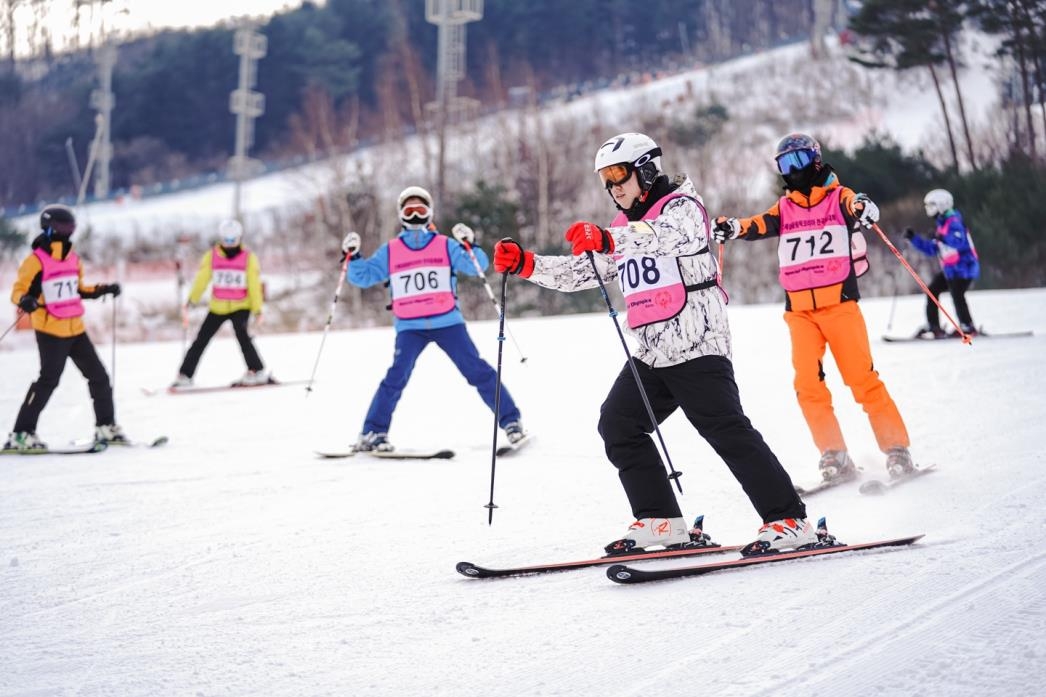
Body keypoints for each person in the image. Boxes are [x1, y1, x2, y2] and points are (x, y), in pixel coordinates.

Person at [493, 132, 812, 557]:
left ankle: (788, 520)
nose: (613, 187)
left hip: (697, 342)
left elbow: (665, 236)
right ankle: (661, 521)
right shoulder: (624, 227)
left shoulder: (684, 208)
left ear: (645, 169)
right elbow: (582, 273)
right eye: (606, 180)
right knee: (619, 425)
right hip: (651, 352)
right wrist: (528, 264)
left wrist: (607, 238)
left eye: (619, 175)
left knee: (725, 428)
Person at [712, 132, 914, 484]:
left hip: (840, 305)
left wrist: (865, 208)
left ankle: (897, 449)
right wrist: (733, 228)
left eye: (798, 161)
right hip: (800, 314)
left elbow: (858, 205)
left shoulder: (839, 198)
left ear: (815, 161)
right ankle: (834, 454)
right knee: (808, 386)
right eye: (784, 164)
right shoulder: (785, 208)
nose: (792, 170)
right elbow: (757, 224)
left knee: (862, 380)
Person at [342, 185, 525, 452]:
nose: (415, 215)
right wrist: (354, 256)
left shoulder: (444, 245)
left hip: (447, 322)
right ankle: (373, 432)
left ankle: (512, 422)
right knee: (396, 378)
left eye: (421, 209)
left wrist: (469, 243)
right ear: (401, 214)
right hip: (410, 327)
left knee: (477, 371)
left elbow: (477, 266)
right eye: (409, 210)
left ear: (429, 213)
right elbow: (363, 276)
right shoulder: (392, 250)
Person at [3, 204, 127, 451]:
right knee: (48, 381)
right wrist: (25, 300)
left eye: (70, 227)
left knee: (99, 377)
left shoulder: (72, 259)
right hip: (51, 330)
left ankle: (106, 426)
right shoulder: (35, 261)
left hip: (75, 329)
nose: (67, 232)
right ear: (49, 228)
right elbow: (18, 291)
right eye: (62, 227)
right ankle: (21, 433)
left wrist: (104, 289)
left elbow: (79, 288)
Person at [173, 219, 269, 387]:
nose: (230, 244)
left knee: (243, 337)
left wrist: (258, 310)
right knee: (201, 339)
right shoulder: (212, 256)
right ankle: (185, 375)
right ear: (221, 238)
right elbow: (201, 280)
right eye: (226, 240)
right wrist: (192, 300)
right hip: (218, 306)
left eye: (233, 240)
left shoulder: (249, 258)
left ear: (239, 238)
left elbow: (254, 285)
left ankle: (257, 370)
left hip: (241, 306)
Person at [905, 188, 979, 338]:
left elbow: (958, 241)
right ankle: (934, 327)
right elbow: (932, 249)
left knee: (957, 294)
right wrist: (914, 239)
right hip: (951, 270)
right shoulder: (942, 225)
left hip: (964, 268)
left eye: (931, 205)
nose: (928, 209)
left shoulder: (954, 222)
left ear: (942, 205)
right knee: (932, 291)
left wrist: (941, 238)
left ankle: (968, 326)